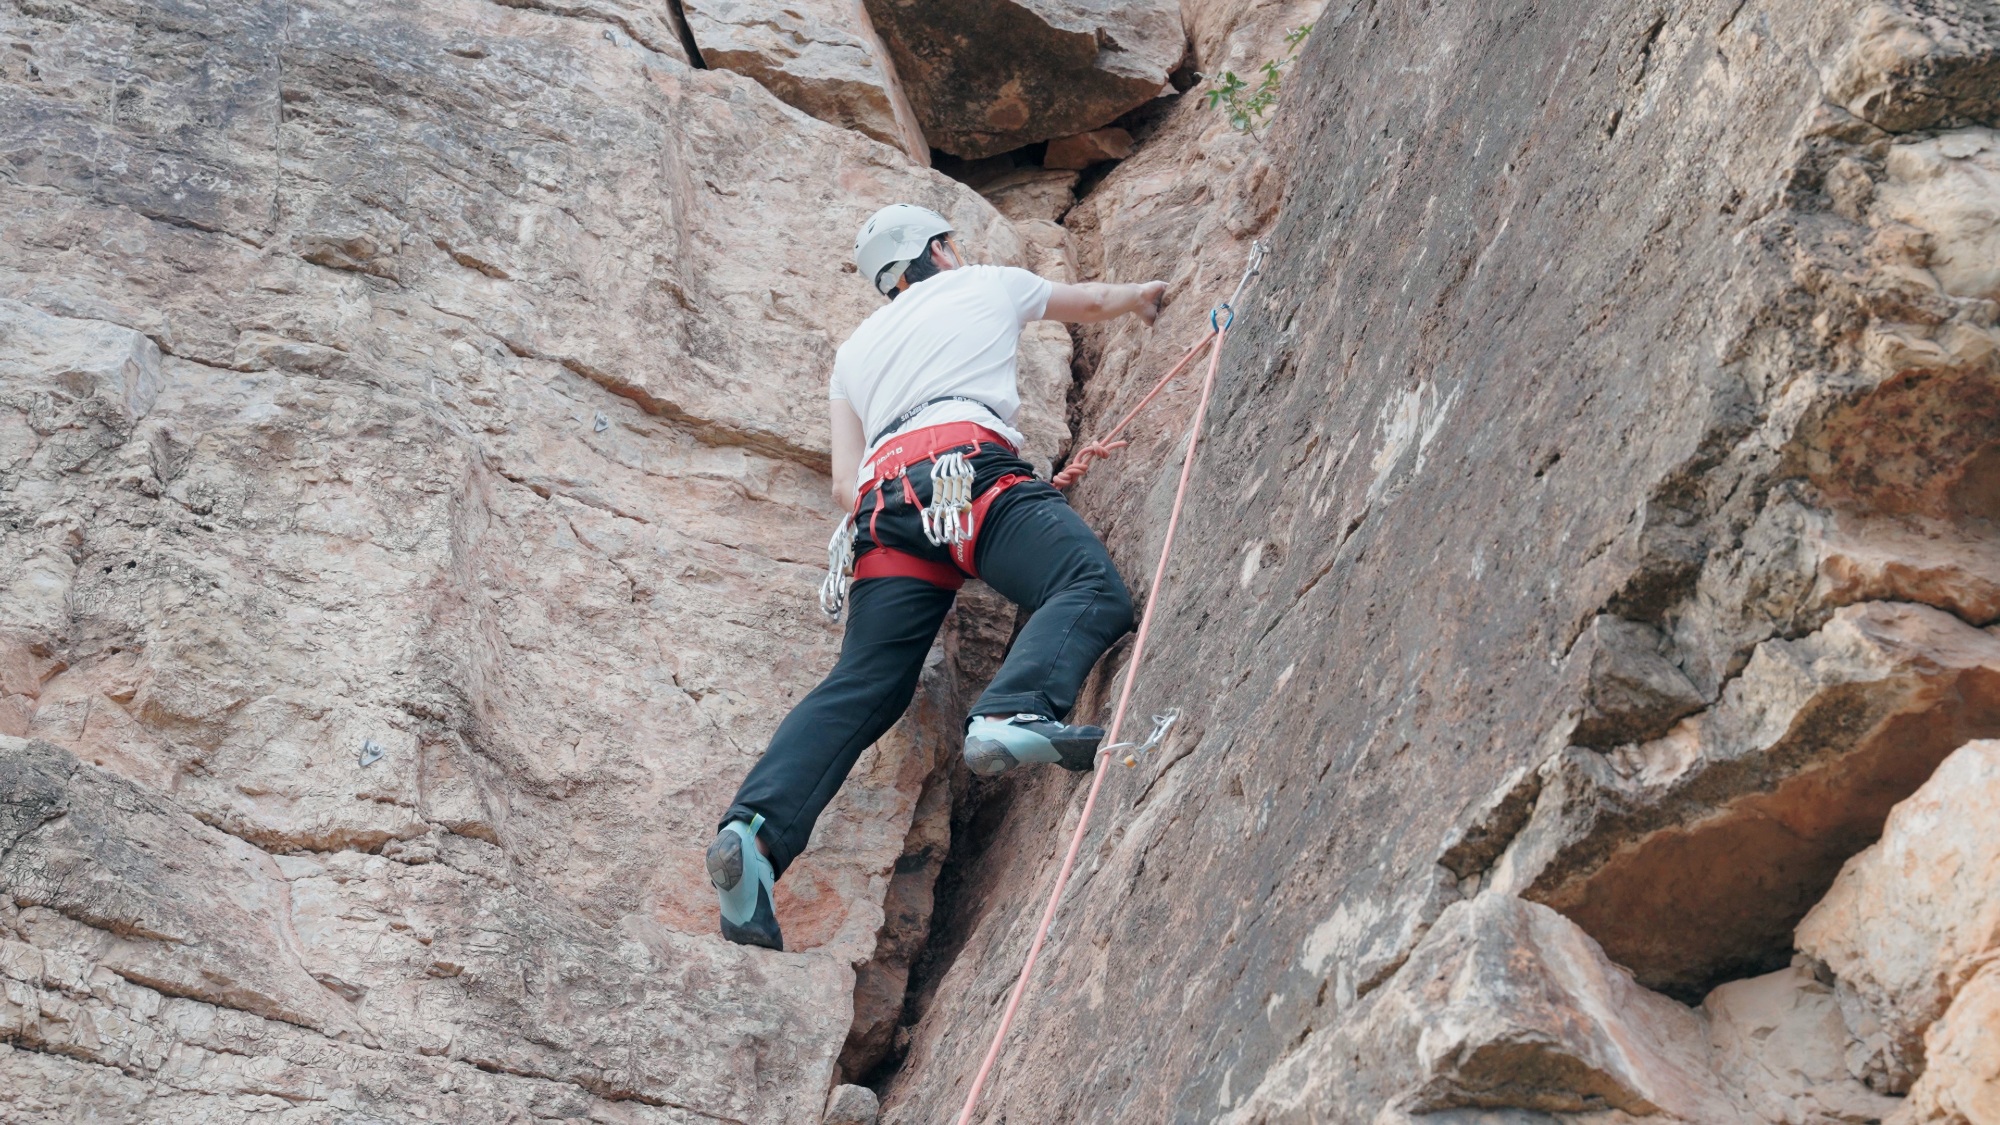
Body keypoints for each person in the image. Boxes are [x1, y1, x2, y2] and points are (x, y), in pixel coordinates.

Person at [708, 204, 1168, 950]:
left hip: (881, 510)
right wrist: (1143, 297)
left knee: (866, 682)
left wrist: (907, 510)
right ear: (941, 249)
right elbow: (1087, 302)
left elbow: (843, 483)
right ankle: (1013, 712)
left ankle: (752, 834)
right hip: (965, 470)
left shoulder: (855, 351)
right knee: (1086, 587)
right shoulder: (985, 282)